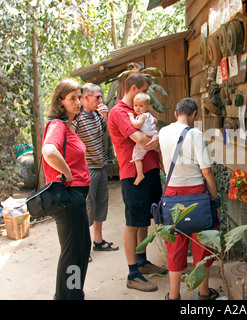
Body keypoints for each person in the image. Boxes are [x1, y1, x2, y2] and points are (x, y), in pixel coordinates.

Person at [108, 72, 167, 292]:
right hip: (133, 175)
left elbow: (156, 135)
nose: (146, 96)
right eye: (143, 91)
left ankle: (142, 262)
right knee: (133, 222)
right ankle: (132, 274)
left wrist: (157, 138)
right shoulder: (120, 112)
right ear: (134, 89)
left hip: (150, 170)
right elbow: (142, 139)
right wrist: (156, 139)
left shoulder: (139, 111)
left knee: (145, 219)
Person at [159, 97, 221, 300]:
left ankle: (174, 295)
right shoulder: (194, 133)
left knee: (175, 247)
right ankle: (203, 292)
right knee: (202, 245)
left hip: (172, 195)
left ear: (176, 114)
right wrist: (215, 199)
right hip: (197, 195)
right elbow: (207, 172)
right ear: (194, 114)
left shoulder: (163, 132)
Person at [41, 79, 91, 300]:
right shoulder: (57, 126)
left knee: (81, 250)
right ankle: (69, 296)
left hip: (76, 197)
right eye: (72, 98)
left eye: (79, 97)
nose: (78, 102)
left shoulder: (69, 126)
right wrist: (68, 173)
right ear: (60, 101)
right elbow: (49, 150)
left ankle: (70, 292)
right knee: (73, 253)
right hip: (69, 198)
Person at [73, 83, 119, 254]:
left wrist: (106, 117)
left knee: (100, 205)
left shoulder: (98, 116)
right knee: (87, 208)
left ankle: (98, 241)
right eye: (97, 97)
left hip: (101, 167)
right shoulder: (78, 119)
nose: (101, 100)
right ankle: (82, 247)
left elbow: (109, 133)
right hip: (87, 169)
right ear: (86, 98)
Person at [127, 92, 160, 186]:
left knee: (136, 157)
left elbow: (136, 125)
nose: (137, 108)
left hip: (146, 138)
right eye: (135, 105)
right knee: (160, 153)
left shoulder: (142, 116)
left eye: (141, 106)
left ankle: (140, 174)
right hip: (154, 135)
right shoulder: (149, 115)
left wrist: (131, 117)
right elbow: (156, 121)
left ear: (148, 107)